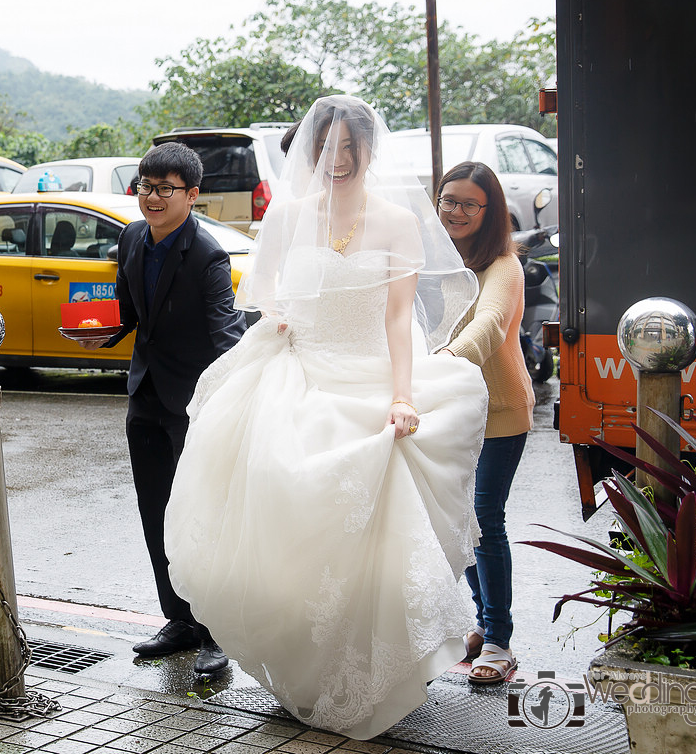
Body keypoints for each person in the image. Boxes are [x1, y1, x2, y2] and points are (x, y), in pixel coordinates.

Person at [163, 96, 489, 739]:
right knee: (291, 536)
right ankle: (305, 672)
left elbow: (400, 318)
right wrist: (279, 314)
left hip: (369, 380)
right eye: (326, 149)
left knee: (374, 548)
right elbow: (262, 288)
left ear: (370, 150)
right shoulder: (287, 216)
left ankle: (369, 675)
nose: (336, 161)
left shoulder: (397, 221)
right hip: (299, 377)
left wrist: (402, 395)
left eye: (350, 149)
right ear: (309, 153)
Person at [82, 142, 247, 678]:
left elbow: (225, 329)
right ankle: (176, 620)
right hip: (145, 393)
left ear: (192, 196)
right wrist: (102, 336)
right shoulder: (131, 237)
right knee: (154, 510)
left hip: (194, 402)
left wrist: (235, 387)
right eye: (145, 187)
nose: (151, 198)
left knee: (199, 516)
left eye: (165, 189)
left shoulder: (207, 255)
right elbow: (130, 314)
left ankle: (214, 634)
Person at [436, 161, 534, 685]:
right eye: (448, 200)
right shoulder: (431, 258)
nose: (455, 211)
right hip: (443, 406)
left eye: (469, 204)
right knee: (457, 519)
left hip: (499, 411)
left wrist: (446, 359)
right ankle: (483, 621)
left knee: (482, 518)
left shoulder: (504, 266)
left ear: (489, 211)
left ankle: (498, 641)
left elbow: (490, 323)